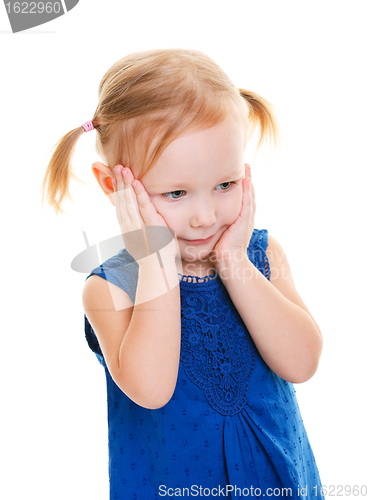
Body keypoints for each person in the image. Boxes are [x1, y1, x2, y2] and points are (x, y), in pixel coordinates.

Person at [40, 48, 325, 499]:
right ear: (115, 186)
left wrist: (234, 262)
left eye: (225, 185)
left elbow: (303, 361)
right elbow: (150, 389)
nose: (205, 216)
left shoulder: (260, 253)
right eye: (176, 193)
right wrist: (155, 266)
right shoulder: (108, 289)